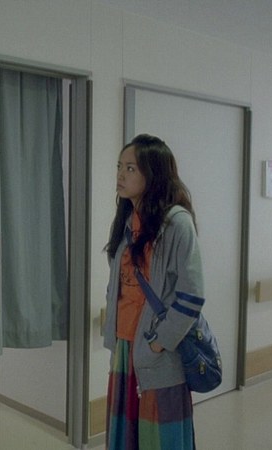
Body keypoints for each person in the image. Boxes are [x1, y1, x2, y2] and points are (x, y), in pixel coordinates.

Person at [102, 134, 204, 449]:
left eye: (130, 168)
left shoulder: (177, 224)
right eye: (119, 166)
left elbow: (192, 294)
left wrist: (160, 343)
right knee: (126, 437)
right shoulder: (127, 220)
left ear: (153, 173)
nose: (121, 175)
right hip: (124, 346)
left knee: (160, 438)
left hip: (158, 350)